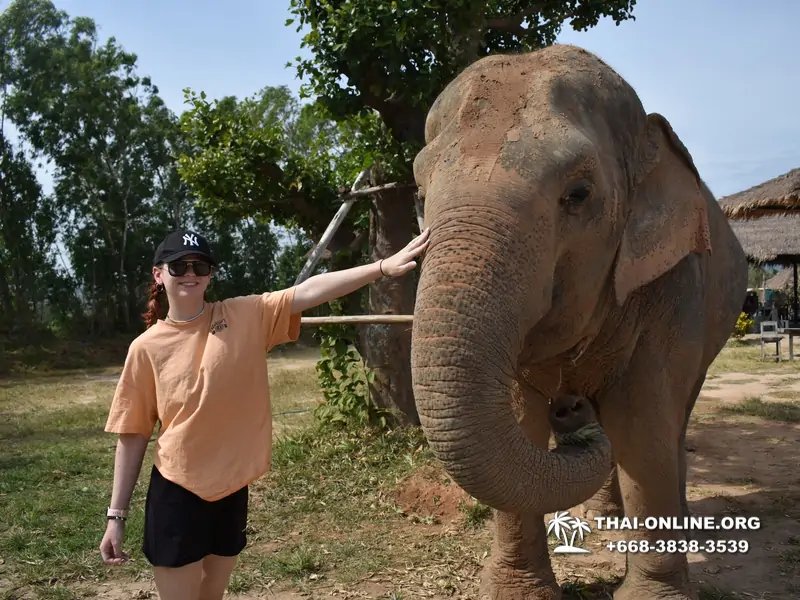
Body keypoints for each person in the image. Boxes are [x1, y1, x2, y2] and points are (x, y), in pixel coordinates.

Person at [99, 227, 430, 600]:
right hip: (178, 493)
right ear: (159, 275)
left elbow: (308, 291)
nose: (190, 273)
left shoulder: (244, 315)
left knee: (213, 595)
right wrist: (116, 517)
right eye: (178, 266)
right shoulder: (145, 349)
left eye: (200, 265)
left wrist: (382, 267)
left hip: (232, 488)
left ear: (210, 275)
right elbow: (133, 434)